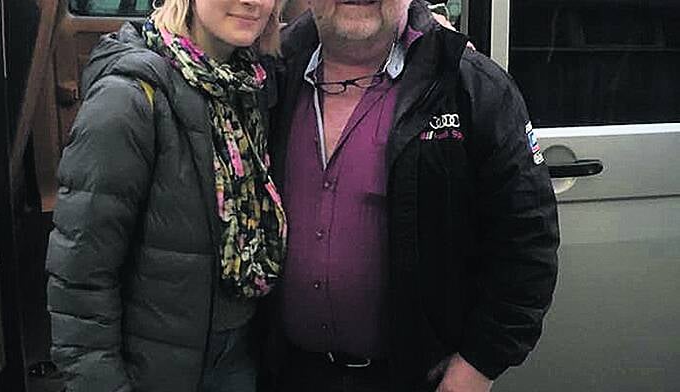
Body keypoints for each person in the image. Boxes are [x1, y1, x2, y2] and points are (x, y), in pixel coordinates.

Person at [263, 0, 560, 390]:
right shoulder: (267, 75)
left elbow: (527, 241)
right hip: (285, 374)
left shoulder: (468, 85)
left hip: (416, 380)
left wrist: (478, 365)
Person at [45, 0, 286, 390]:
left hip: (240, 351)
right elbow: (80, 276)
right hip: (158, 368)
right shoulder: (129, 98)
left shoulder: (252, 87)